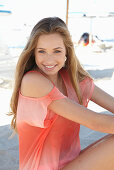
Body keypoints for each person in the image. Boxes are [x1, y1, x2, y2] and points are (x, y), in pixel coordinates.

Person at [9, 17, 114, 170]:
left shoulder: (73, 79)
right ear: (33, 53)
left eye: (57, 51)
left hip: (73, 163)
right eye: (42, 51)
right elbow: (95, 121)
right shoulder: (32, 81)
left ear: (67, 51)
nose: (49, 59)